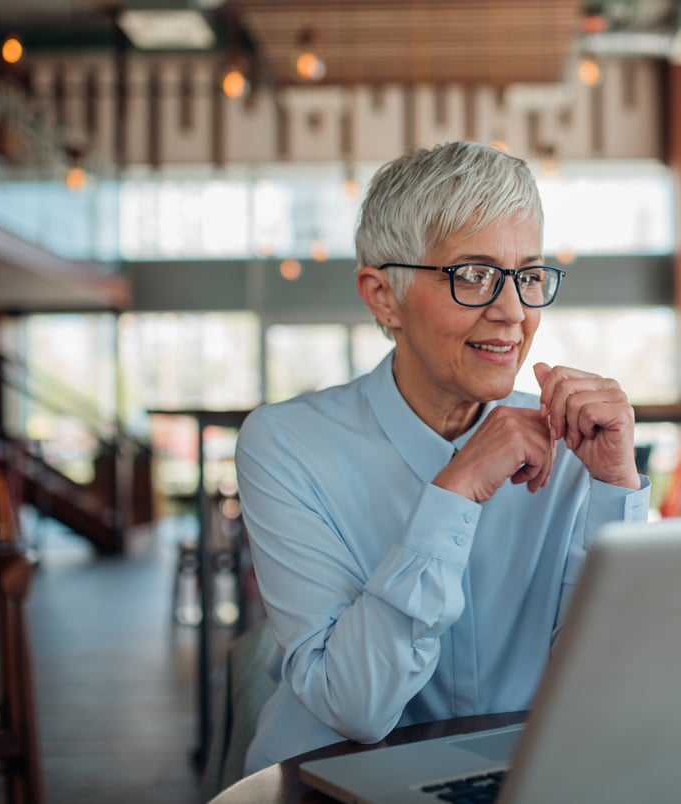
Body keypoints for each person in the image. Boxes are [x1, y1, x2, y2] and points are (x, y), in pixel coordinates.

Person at [235, 141, 651, 774]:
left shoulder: (574, 444)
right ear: (382, 298)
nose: (512, 312)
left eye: (529, 276)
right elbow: (357, 707)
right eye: (473, 275)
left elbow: (609, 685)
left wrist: (616, 491)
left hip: (521, 779)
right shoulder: (285, 447)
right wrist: (452, 494)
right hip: (332, 783)